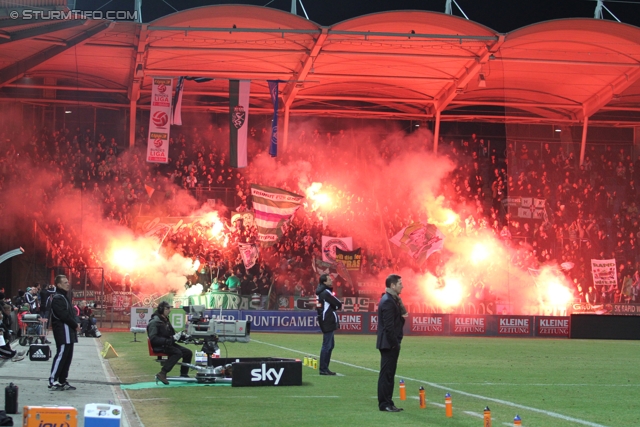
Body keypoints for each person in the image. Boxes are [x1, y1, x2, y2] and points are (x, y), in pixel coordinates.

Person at [376, 274, 407, 412]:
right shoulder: (388, 301)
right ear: (393, 285)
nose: (402, 285)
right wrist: (395, 343)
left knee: (388, 374)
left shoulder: (390, 299)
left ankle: (388, 401)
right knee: (387, 374)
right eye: (400, 283)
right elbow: (389, 327)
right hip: (389, 343)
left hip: (389, 343)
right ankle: (385, 404)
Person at [147, 301, 192, 385]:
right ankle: (162, 373)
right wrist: (168, 340)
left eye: (170, 308)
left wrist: (181, 336)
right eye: (167, 308)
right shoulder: (155, 322)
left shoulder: (165, 320)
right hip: (160, 346)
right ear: (161, 309)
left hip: (167, 344)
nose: (169, 310)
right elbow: (153, 339)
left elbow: (171, 334)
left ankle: (184, 374)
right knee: (177, 353)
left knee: (188, 352)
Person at [48, 275, 80, 391]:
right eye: (65, 282)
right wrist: (75, 324)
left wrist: (76, 322)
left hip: (69, 331)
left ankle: (62, 380)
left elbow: (71, 313)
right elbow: (63, 315)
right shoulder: (58, 298)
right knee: (61, 355)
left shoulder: (64, 297)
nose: (68, 284)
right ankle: (53, 380)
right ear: (59, 285)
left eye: (68, 282)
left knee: (68, 356)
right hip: (63, 331)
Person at [315, 274, 342, 375]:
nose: (331, 280)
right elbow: (338, 303)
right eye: (329, 279)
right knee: (327, 345)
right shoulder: (325, 292)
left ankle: (325, 368)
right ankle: (323, 369)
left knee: (330, 345)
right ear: (324, 282)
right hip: (327, 320)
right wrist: (335, 307)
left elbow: (319, 306)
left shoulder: (320, 292)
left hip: (324, 319)